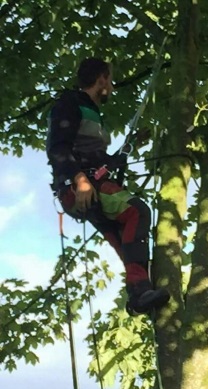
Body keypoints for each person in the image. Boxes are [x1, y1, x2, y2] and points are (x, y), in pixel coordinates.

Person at [46, 57, 170, 315]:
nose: (111, 87)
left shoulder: (91, 113)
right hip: (80, 185)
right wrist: (78, 180)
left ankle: (139, 295)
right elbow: (57, 146)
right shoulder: (70, 103)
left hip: (92, 183)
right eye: (110, 80)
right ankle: (139, 289)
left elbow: (100, 161)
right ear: (101, 79)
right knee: (137, 211)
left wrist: (131, 145)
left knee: (125, 239)